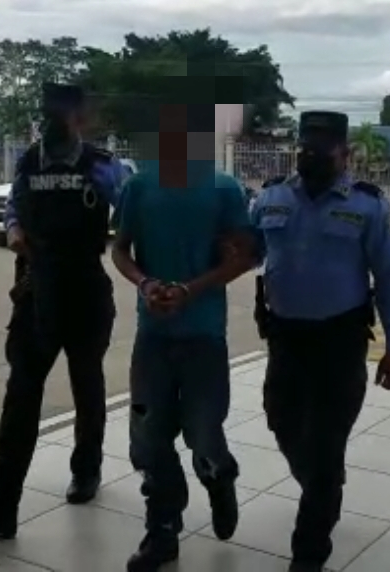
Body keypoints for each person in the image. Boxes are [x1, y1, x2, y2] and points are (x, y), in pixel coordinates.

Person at [0, 82, 125, 538]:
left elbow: (129, 211)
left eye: (62, 113)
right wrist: (12, 229)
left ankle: (86, 469)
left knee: (87, 386)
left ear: (80, 119)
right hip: (36, 290)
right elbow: (16, 207)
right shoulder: (30, 160)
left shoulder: (102, 164)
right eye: (48, 113)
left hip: (84, 289)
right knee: (20, 398)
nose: (53, 121)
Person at [250, 110, 390, 572]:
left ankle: (309, 552)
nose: (310, 155)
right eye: (304, 147)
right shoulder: (272, 197)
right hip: (286, 338)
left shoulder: (368, 205)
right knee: (281, 421)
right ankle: (324, 484)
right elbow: (244, 250)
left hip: (340, 341)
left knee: (324, 442)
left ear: (345, 153)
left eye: (321, 149)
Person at [110, 103, 257, 572]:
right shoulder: (139, 187)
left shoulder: (224, 189)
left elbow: (244, 257)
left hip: (204, 337)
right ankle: (162, 531)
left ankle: (219, 476)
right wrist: (146, 284)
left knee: (203, 434)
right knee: (148, 440)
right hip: (152, 337)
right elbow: (120, 249)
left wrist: (191, 290)